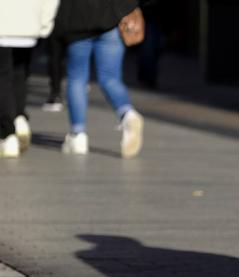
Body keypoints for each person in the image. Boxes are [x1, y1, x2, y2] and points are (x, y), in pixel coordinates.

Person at [53, 0, 146, 158]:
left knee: (77, 78)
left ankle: (78, 135)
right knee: (110, 78)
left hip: (78, 21)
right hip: (112, 17)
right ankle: (127, 114)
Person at [0, 0, 59, 157]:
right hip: (29, 25)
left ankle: (8, 132)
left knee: (3, 78)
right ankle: (19, 118)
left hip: (3, 25)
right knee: (20, 74)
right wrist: (45, 24)